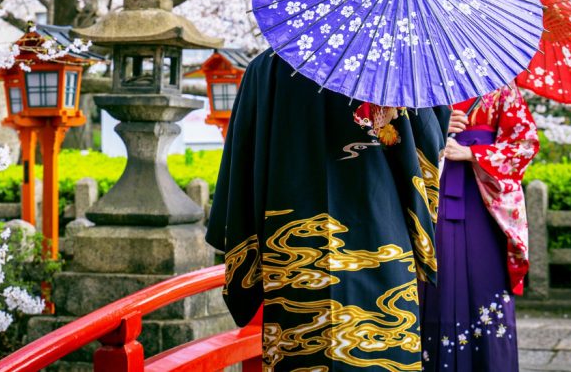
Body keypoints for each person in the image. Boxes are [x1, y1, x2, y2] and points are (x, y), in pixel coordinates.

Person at [207, 51, 451, 370]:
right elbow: (427, 148)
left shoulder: (264, 68)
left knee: (300, 347)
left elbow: (241, 162)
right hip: (380, 239)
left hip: (292, 248)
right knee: (381, 345)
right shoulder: (394, 61)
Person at [418, 83, 540, 372]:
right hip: (432, 194)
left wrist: (474, 154)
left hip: (483, 201)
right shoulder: (421, 79)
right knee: (433, 279)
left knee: (485, 280)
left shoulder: (499, 85)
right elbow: (392, 136)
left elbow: (525, 143)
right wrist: (435, 126)